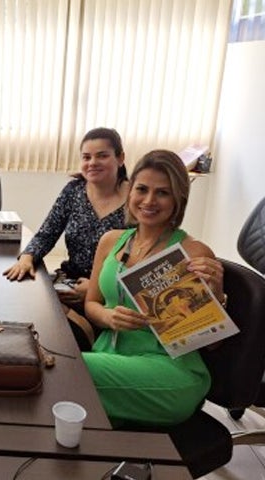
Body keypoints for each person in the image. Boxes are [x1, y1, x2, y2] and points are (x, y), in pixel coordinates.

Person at [82, 149, 225, 428]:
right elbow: (91, 304)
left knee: (66, 371)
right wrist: (109, 317)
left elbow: (213, 343)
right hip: (110, 357)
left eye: (162, 193)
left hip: (169, 370)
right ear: (130, 191)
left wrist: (216, 293)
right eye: (142, 189)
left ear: (178, 199)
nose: (149, 201)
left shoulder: (192, 252)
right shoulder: (111, 241)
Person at [2, 127, 129, 349]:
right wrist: (27, 257)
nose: (92, 163)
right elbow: (47, 232)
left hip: (112, 294)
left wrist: (96, 289)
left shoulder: (137, 198)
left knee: (61, 339)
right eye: (86, 157)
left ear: (120, 158)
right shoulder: (74, 191)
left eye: (102, 156)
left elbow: (143, 256)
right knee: (21, 311)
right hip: (71, 283)